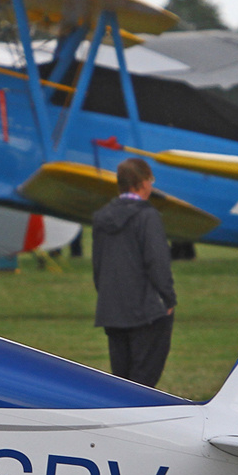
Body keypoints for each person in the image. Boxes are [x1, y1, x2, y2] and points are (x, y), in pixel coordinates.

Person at [91, 157, 176, 387]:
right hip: (146, 311)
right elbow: (157, 261)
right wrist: (168, 298)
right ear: (142, 183)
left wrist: (107, 296)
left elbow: (98, 267)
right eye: (150, 180)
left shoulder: (101, 218)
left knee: (122, 380)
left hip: (113, 310)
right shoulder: (147, 216)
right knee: (144, 380)